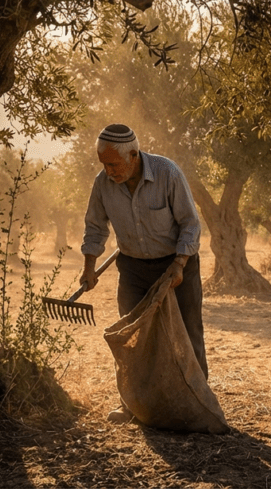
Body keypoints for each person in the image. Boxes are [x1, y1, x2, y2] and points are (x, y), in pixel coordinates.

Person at [80, 124, 207, 421]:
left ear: (134, 155)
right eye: (104, 165)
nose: (109, 171)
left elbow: (190, 224)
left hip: (177, 263)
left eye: (113, 164)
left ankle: (199, 402)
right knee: (133, 335)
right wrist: (88, 267)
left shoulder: (168, 173)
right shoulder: (103, 183)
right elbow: (95, 227)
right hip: (133, 267)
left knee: (188, 332)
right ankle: (134, 404)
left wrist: (178, 265)